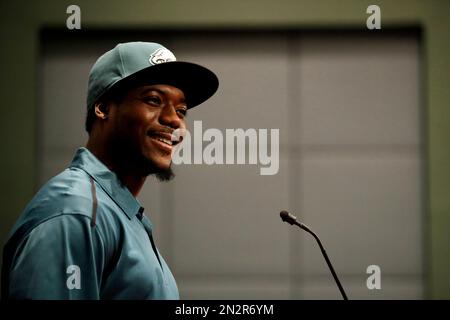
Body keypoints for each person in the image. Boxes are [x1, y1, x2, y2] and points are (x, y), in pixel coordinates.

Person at [1, 42, 219, 299]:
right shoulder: (75, 212)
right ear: (103, 107)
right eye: (153, 100)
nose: (174, 120)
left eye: (181, 110)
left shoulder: (115, 211)